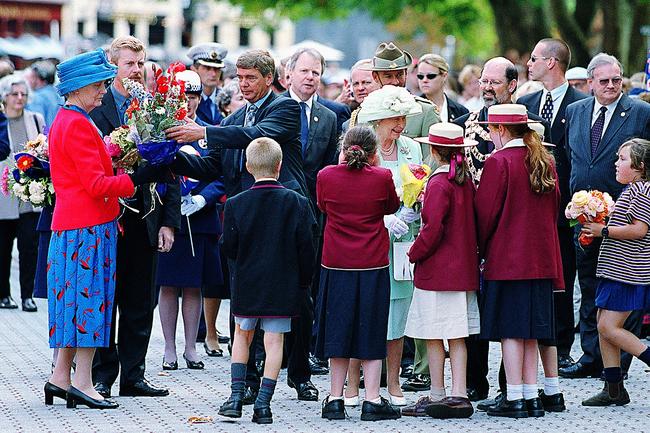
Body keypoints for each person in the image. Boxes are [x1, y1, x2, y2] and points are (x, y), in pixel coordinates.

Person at [166, 49, 311, 403]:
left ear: (268, 78)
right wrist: (166, 155)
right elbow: (208, 168)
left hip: (283, 217)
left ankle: (300, 374)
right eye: (239, 78)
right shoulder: (231, 121)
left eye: (250, 78)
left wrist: (203, 131)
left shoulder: (286, 108)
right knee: (241, 295)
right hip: (244, 220)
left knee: (297, 296)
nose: (243, 85)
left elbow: (259, 134)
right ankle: (246, 379)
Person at [44, 48, 167, 410]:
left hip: (73, 225)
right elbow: (97, 185)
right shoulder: (79, 124)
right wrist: (137, 178)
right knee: (88, 304)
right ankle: (82, 381)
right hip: (87, 227)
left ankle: (60, 378)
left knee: (71, 304)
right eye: (98, 84)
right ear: (79, 86)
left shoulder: (68, 119)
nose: (103, 89)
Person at [91, 36, 180, 399]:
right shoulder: (95, 106)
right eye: (129, 64)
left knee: (141, 302)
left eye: (140, 63)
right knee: (105, 300)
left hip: (146, 217)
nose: (136, 70)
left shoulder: (154, 106)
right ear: (114, 66)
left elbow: (170, 166)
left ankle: (134, 375)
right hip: (106, 218)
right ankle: (101, 374)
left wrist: (169, 221)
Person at [561, 53, 650, 380]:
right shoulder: (575, 111)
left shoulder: (641, 112)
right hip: (584, 217)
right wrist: (576, 205)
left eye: (617, 79)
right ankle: (591, 357)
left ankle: (620, 363)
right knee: (588, 287)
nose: (611, 85)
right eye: (604, 81)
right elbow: (571, 159)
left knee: (623, 291)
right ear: (590, 82)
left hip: (626, 218)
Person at [218, 137, 317, 424]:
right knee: (275, 342)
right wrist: (304, 281)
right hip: (283, 283)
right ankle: (263, 404)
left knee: (242, 335)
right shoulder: (297, 202)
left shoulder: (236, 203)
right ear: (280, 165)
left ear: (248, 167)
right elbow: (306, 247)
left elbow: (229, 246)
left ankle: (236, 396)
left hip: (248, 281)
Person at [475, 104, 563, 419]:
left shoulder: (499, 162)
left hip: (507, 257)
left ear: (500, 130)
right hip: (540, 257)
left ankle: (514, 397)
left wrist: (480, 249)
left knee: (512, 330)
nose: (488, 134)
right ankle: (531, 394)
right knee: (530, 330)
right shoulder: (543, 160)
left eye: (490, 129)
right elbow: (553, 210)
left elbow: (485, 214)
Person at [316, 125, 401, 421]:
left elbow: (323, 206)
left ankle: (336, 398)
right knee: (372, 327)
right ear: (374, 153)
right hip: (372, 263)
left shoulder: (326, 175)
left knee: (338, 328)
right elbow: (392, 206)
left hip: (336, 262)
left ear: (344, 148)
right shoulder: (382, 177)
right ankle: (373, 399)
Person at [349, 85, 421, 408]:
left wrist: (410, 209)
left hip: (404, 242)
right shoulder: (361, 146)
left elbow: (420, 184)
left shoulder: (411, 149)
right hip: (369, 240)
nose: (401, 125)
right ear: (378, 119)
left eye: (404, 118)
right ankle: (353, 383)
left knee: (398, 313)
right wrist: (383, 219)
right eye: (395, 117)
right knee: (363, 311)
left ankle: (392, 381)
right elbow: (351, 192)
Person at [403, 122, 479, 419]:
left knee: (433, 334)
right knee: (458, 336)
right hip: (462, 268)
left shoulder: (437, 182)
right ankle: (459, 393)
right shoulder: (464, 180)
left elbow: (432, 229)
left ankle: (436, 393)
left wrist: (414, 252)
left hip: (437, 271)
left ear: (433, 150)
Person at [156, 70, 225, 371]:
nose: (189, 102)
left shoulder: (211, 132)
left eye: (194, 96)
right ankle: (169, 347)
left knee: (195, 285)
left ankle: (191, 347)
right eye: (183, 96)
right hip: (170, 218)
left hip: (201, 217)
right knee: (169, 284)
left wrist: (202, 198)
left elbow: (223, 174)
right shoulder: (160, 132)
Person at [579, 138, 650, 406]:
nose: (616, 163)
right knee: (603, 326)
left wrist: (604, 230)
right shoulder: (632, 189)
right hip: (615, 269)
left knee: (609, 326)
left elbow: (640, 229)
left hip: (629, 270)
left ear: (640, 166)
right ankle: (614, 388)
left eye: (622, 159)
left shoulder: (642, 190)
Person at [285, 47, 339, 380]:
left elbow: (329, 168)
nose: (310, 78)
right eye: (304, 71)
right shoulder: (277, 110)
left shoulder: (329, 117)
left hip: (315, 217)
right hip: (283, 213)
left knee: (309, 289)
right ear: (288, 74)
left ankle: (304, 360)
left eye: (316, 72)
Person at [0, 74, 45, 312]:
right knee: (3, 249)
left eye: (23, 94)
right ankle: (4, 294)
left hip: (30, 196)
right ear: (4, 96)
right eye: (14, 94)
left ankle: (28, 295)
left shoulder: (35, 119)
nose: (19, 98)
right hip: (3, 195)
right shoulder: (0, 120)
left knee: (30, 248)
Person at [417, 54, 468, 123]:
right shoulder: (411, 108)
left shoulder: (461, 111)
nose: (424, 80)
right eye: (420, 76)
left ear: (444, 76)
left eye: (431, 76)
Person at [188, 42, 228, 126]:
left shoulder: (227, 98)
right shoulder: (188, 99)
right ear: (194, 69)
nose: (213, 74)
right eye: (207, 68)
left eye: (217, 69)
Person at [25, 60, 63, 128]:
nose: (30, 80)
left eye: (32, 76)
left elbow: (36, 124)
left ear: (40, 79)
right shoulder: (59, 95)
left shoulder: (36, 97)